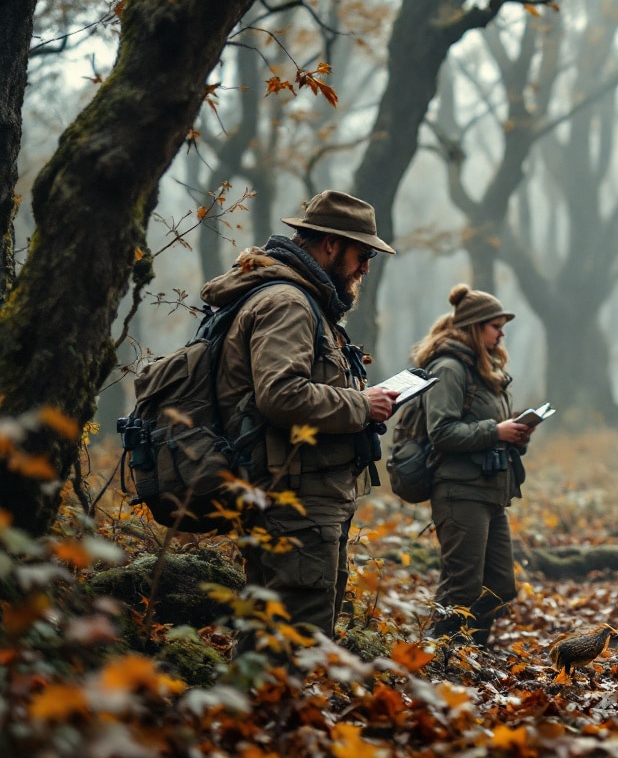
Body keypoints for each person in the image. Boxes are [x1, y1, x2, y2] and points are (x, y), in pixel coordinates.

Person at [201, 190, 398, 644]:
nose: (366, 266)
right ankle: (276, 715)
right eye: (362, 253)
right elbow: (281, 395)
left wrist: (360, 397)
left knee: (271, 637)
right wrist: (361, 405)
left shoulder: (306, 300)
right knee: (296, 642)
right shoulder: (288, 302)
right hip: (296, 501)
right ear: (330, 244)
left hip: (302, 494)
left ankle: (256, 713)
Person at [411, 284, 532, 645]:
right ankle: (436, 656)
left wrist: (515, 435)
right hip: (459, 491)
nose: (501, 333)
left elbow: (489, 430)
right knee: (461, 588)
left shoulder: (485, 371)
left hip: (491, 490)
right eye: (495, 326)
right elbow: (442, 433)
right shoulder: (449, 368)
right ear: (475, 327)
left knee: (499, 586)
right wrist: (496, 431)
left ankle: (471, 653)